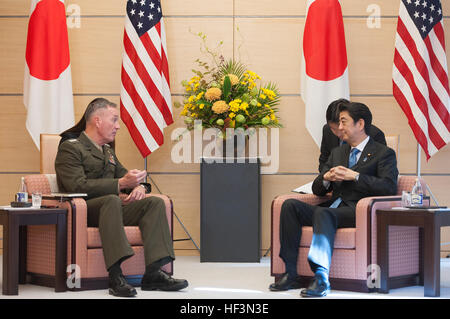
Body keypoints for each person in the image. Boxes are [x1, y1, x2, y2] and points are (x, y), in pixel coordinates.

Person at [55, 98, 188, 297]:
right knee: (112, 199)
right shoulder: (71, 147)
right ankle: (115, 275)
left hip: (112, 210)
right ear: (98, 121)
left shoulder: (107, 151)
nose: (118, 126)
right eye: (114, 120)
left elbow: (128, 177)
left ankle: (153, 273)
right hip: (85, 210)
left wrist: (141, 186)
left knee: (154, 203)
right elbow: (76, 185)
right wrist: (120, 184)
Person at [269, 101, 398, 297]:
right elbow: (317, 189)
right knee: (290, 206)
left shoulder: (383, 153)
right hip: (333, 207)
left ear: (360, 124)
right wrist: (326, 178)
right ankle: (290, 273)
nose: (339, 128)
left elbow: (389, 187)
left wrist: (354, 176)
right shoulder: (338, 152)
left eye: (343, 122)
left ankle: (321, 278)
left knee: (324, 212)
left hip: (358, 210)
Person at [319, 98, 387, 173]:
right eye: (333, 129)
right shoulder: (327, 130)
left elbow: (381, 170)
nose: (339, 133)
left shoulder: (375, 134)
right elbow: (323, 162)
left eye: (343, 124)